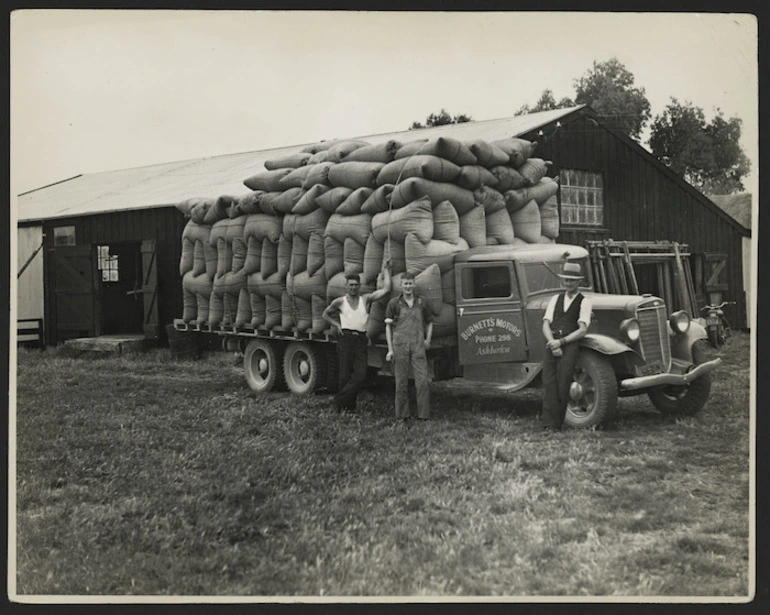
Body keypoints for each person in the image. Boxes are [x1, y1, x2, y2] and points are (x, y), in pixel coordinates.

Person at [322, 262, 391, 413]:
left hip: (360, 339)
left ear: (359, 286)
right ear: (346, 286)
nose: (353, 287)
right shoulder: (340, 301)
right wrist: (337, 325)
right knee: (344, 375)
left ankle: (338, 400)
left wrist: (386, 271)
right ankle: (347, 408)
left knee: (361, 375)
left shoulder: (365, 299)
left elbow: (386, 290)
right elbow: (325, 314)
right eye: (350, 285)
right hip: (345, 339)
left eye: (356, 285)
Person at [540, 261, 593, 431]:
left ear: (579, 282)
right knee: (549, 382)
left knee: (563, 383)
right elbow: (546, 324)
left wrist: (561, 342)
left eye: (572, 280)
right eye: (566, 280)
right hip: (552, 343)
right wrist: (552, 342)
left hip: (569, 345)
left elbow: (582, 330)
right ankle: (548, 424)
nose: (568, 283)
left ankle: (557, 424)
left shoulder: (584, 302)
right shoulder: (555, 299)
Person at [384, 271, 434, 421]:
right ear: (400, 285)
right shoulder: (394, 303)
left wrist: (428, 340)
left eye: (410, 283)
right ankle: (402, 415)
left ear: (414, 284)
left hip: (418, 345)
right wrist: (390, 349)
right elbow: (387, 327)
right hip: (400, 346)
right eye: (405, 283)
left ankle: (423, 415)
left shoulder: (422, 302)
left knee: (422, 382)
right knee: (401, 382)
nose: (408, 286)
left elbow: (430, 322)